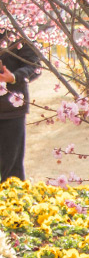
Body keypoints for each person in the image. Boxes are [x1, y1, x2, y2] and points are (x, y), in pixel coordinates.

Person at [0, 29, 41, 182]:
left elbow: (34, 67)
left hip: (10, 110)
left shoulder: (17, 31)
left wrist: (14, 77)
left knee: (11, 168)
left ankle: (12, 203)